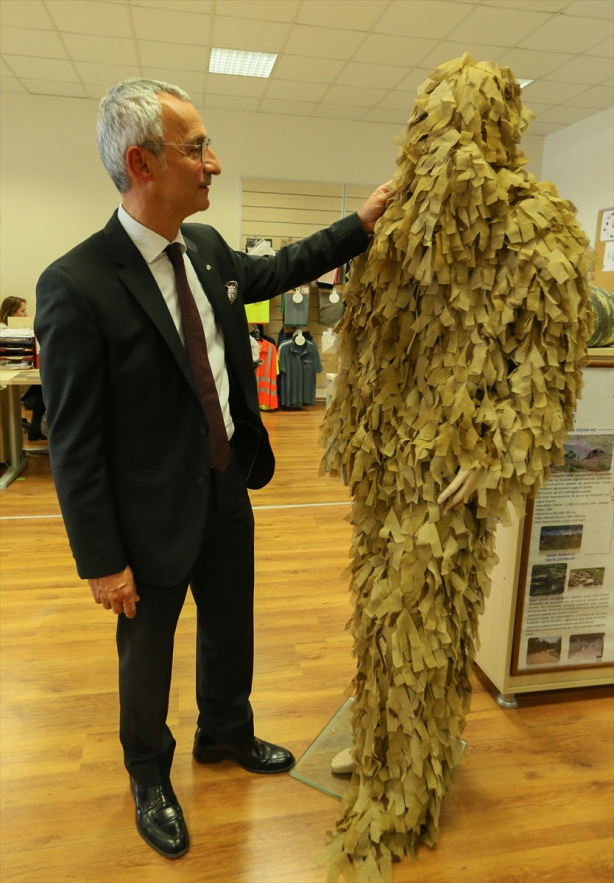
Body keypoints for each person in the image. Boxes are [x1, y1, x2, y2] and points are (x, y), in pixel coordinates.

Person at [35, 77, 393, 860]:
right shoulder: (77, 285)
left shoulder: (206, 249)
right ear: (142, 162)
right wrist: (102, 560)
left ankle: (225, 732)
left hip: (227, 485)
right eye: (197, 148)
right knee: (148, 657)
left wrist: (359, 224)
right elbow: (74, 442)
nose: (214, 164)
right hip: (147, 515)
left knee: (232, 627)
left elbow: (285, 268)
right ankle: (148, 776)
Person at [319, 55, 592, 881]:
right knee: (379, 616)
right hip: (389, 461)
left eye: (462, 124)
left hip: (454, 469)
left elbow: (548, 357)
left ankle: (413, 778)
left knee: (429, 620)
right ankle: (378, 747)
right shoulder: (398, 217)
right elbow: (369, 330)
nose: (445, 144)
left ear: (502, 130)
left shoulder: (537, 223)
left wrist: (499, 451)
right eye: (432, 123)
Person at [0, 296, 47, 440]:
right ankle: (36, 429)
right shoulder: (5, 333)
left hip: (14, 377)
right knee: (44, 386)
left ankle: (35, 428)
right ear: (12, 313)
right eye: (22, 311)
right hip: (10, 381)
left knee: (43, 385)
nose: (26, 315)